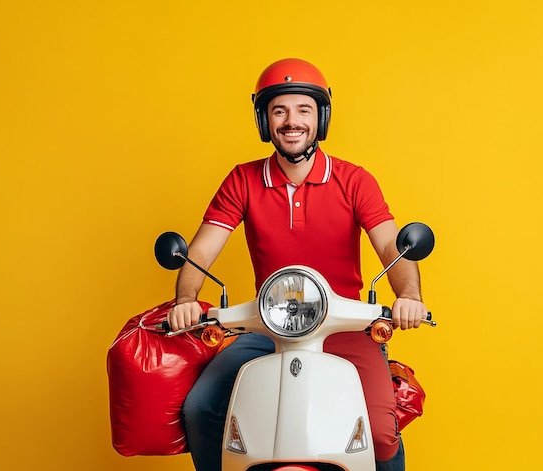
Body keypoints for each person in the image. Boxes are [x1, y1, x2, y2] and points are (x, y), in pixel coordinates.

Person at [167, 58, 428, 471]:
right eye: (279, 110)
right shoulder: (242, 180)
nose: (292, 121)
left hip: (344, 324)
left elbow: (391, 246)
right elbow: (200, 252)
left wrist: (408, 296)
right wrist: (185, 298)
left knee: (379, 432)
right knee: (202, 408)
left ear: (320, 117)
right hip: (266, 327)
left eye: (303, 109)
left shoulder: (354, 180)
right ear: (264, 120)